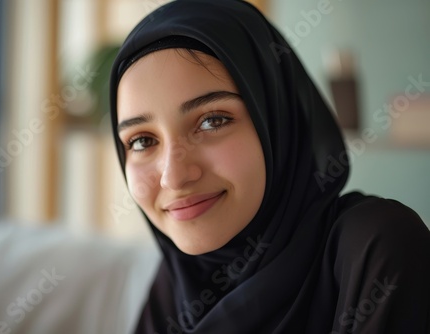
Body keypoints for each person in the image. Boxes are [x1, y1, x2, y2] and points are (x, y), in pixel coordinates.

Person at [108, 0, 430, 333]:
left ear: (278, 122)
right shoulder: (178, 282)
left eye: (212, 121)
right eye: (142, 141)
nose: (173, 178)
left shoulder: (376, 245)